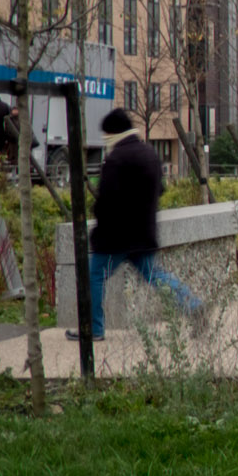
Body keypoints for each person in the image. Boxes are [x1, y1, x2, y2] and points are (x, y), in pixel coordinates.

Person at [65, 109, 202, 342]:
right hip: (144, 233)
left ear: (113, 132)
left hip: (114, 237)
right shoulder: (149, 153)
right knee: (155, 275)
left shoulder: (116, 159)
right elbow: (160, 190)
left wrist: (99, 225)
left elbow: (105, 200)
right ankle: (193, 306)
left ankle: (93, 328)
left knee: (93, 276)